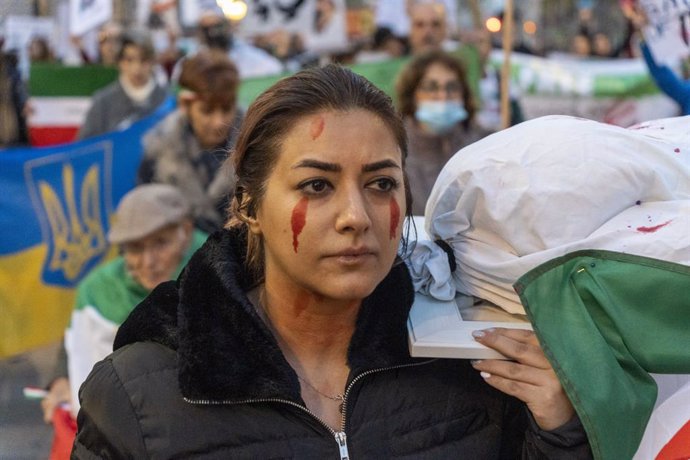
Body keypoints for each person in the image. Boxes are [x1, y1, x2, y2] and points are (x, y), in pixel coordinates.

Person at [72, 64, 591, 458]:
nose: (355, 216)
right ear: (248, 206)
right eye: (316, 185)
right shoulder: (139, 394)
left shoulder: (478, 362)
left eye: (381, 183)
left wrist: (560, 429)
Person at [41, 184, 207, 424]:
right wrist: (60, 379)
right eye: (135, 248)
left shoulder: (216, 271)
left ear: (186, 232)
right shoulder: (98, 290)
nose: (148, 262)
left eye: (161, 243)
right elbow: (80, 350)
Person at [137, 49, 243, 233]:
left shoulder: (259, 149)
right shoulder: (157, 153)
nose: (218, 122)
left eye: (226, 109)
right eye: (207, 111)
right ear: (185, 106)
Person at [396, 50, 492, 215]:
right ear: (413, 95)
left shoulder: (485, 146)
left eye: (452, 87)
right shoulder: (394, 149)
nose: (442, 96)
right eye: (431, 87)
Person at [77, 29, 168, 140]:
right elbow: (85, 147)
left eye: (143, 60)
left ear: (153, 61)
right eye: (129, 60)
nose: (137, 68)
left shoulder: (166, 100)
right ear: (120, 62)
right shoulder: (103, 102)